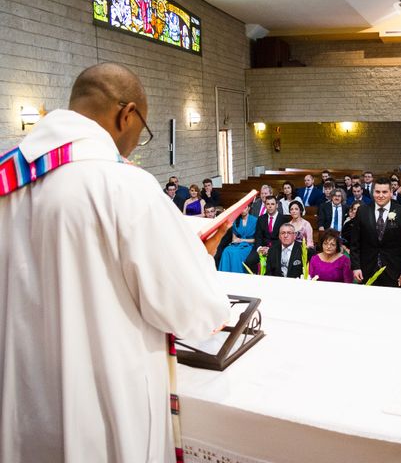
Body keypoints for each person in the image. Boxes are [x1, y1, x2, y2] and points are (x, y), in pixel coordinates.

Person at [0, 63, 231, 462]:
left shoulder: (9, 176)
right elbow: (192, 310)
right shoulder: (125, 185)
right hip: (102, 413)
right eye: (143, 128)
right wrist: (201, 258)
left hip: (22, 405)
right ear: (127, 115)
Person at [350, 177, 401, 288]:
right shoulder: (363, 211)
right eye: (377, 192)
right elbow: (355, 242)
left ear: (391, 193)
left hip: (394, 269)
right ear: (373, 192)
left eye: (384, 192)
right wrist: (356, 267)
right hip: (367, 268)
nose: (381, 195)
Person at [245, 195, 289, 272]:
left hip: (276, 248)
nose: (270, 206)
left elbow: (283, 239)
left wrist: (270, 249)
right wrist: (259, 248)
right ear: (265, 206)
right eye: (268, 204)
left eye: (272, 204)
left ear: (277, 205)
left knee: (272, 265)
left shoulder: (283, 219)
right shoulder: (261, 218)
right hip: (262, 247)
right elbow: (258, 236)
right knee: (249, 261)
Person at [218, 206, 257, 273]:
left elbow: (256, 240)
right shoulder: (236, 220)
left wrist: (242, 240)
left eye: (245, 208)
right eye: (241, 208)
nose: (243, 210)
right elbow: (234, 238)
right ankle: (224, 275)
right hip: (238, 244)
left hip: (250, 245)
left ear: (248, 208)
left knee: (236, 253)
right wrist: (235, 241)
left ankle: (238, 275)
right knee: (226, 250)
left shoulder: (255, 220)